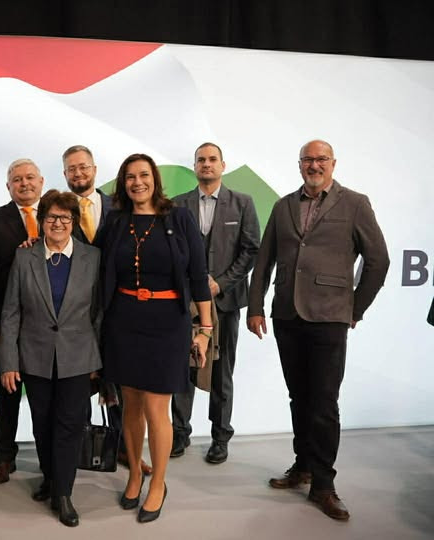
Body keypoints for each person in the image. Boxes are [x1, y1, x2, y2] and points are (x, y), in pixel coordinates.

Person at [247, 140, 389, 521]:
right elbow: (264, 260)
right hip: (286, 315)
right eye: (308, 159)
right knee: (299, 397)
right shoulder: (282, 206)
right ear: (299, 165)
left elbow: (378, 260)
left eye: (321, 159)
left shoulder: (355, 203)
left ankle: (324, 485)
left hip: (329, 317)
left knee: (324, 402)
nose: (314, 165)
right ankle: (304, 466)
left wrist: (355, 308)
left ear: (333, 163)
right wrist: (256, 306)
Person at [98, 153, 212, 523]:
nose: (137, 182)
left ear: (155, 179)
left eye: (144, 175)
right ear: (123, 183)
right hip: (123, 320)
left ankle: (159, 483)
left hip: (167, 323)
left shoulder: (179, 217)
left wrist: (205, 329)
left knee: (156, 406)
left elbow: (198, 275)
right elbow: (90, 261)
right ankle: (135, 473)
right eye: (130, 177)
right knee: (130, 404)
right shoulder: (115, 221)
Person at [0, 189, 101, 527]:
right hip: (34, 356)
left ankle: (64, 493)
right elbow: (11, 313)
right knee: (42, 424)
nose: (58, 223)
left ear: (74, 222)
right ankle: (50, 477)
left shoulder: (92, 258)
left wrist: (98, 360)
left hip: (78, 357)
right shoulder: (24, 257)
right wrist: (9, 362)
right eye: (51, 217)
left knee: (69, 424)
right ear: (41, 221)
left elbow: (99, 313)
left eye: (65, 218)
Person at [62, 144, 152, 475]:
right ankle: (79, 451)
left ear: (95, 170)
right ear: (65, 174)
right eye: (72, 169)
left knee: (121, 383)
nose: (78, 173)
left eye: (83, 167)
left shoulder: (120, 206)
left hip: (116, 307)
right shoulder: (59, 210)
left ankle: (127, 450)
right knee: (76, 387)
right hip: (73, 311)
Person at [170, 142, 260, 464]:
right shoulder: (177, 205)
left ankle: (220, 438)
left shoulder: (243, 203)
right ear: (194, 167)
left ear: (223, 165)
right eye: (200, 160)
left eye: (212, 159)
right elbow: (172, 251)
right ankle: (179, 433)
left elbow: (251, 249)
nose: (206, 164)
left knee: (222, 373)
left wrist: (220, 283)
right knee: (182, 370)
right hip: (185, 303)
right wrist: (192, 285)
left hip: (226, 301)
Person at [0, 158, 44, 484]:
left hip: (46, 329)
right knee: (7, 397)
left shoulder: (57, 216)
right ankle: (4, 458)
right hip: (8, 326)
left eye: (30, 177)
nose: (24, 183)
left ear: (41, 182)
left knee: (45, 400)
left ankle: (50, 459)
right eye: (17, 179)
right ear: (8, 186)